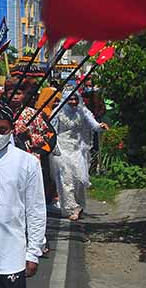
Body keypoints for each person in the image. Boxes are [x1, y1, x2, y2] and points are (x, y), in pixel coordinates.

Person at [0, 102, 45, 287]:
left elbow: (36, 210)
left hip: (10, 257)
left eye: (2, 130)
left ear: (12, 128)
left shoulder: (27, 163)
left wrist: (33, 252)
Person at [53, 91, 107, 221]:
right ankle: (71, 208)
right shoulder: (58, 112)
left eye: (75, 99)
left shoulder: (82, 111)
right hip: (62, 149)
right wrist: (54, 148)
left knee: (79, 180)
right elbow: (53, 130)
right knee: (66, 180)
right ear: (65, 99)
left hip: (77, 150)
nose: (73, 102)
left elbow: (94, 125)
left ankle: (80, 205)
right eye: (70, 99)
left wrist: (100, 126)